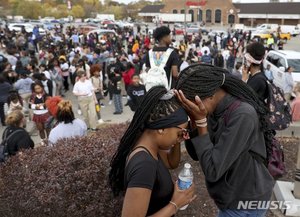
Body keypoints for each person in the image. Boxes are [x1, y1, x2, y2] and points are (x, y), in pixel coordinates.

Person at [175, 64, 274, 217]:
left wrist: (201, 123)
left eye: (190, 103)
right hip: (231, 195)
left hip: (245, 201)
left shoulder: (242, 115)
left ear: (210, 95)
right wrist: (195, 123)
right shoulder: (211, 108)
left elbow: (213, 170)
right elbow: (197, 154)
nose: (191, 109)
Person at [109, 86, 196, 217]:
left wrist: (177, 140)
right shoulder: (144, 165)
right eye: (180, 132)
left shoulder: (149, 146)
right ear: (161, 129)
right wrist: (175, 205)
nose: (182, 136)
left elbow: (171, 163)